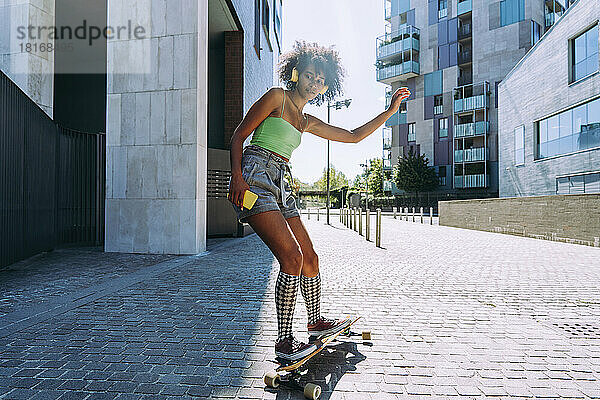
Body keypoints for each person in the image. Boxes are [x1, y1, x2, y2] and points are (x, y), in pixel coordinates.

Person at [228, 40, 410, 361]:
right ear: (296, 73)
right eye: (311, 76)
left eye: (321, 80)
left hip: (283, 181)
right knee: (292, 257)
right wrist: (238, 177)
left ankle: (315, 323)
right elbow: (239, 135)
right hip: (255, 174)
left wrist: (389, 111)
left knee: (310, 258)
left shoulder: (306, 120)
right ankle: (284, 341)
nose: (315, 83)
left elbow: (353, 136)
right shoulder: (277, 98)